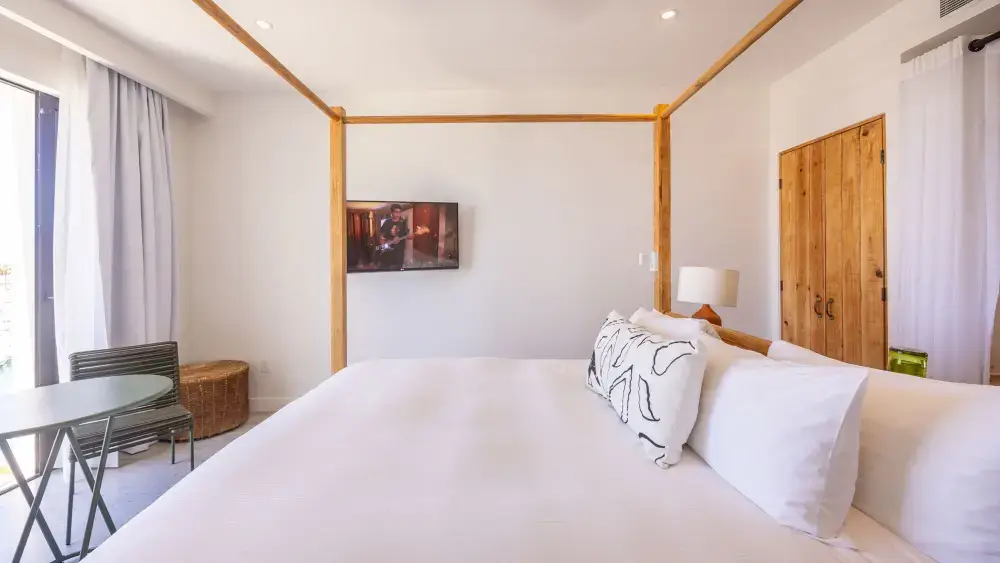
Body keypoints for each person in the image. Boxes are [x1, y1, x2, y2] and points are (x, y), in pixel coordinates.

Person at [377, 204, 412, 269]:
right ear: (392, 212)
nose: (398, 214)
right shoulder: (387, 222)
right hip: (386, 255)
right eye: (396, 212)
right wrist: (384, 244)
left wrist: (410, 237)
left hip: (398, 256)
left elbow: (408, 236)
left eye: (399, 212)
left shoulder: (403, 223)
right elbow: (382, 236)